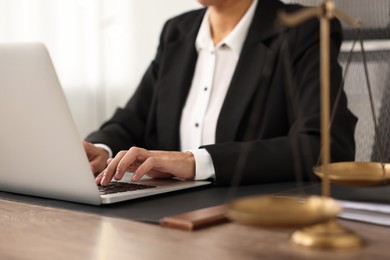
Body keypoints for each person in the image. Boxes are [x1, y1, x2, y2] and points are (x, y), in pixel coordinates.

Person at [84, 0, 357, 187]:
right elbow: (133, 120)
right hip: (168, 215)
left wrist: (196, 161)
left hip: (252, 220)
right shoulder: (177, 32)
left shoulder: (303, 31)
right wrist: (101, 149)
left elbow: (324, 146)